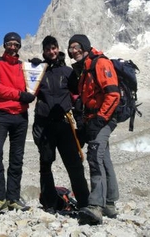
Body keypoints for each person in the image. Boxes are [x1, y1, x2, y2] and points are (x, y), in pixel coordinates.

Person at [31, 35, 89, 214]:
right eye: (48, 49)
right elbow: (28, 90)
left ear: (58, 48)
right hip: (45, 124)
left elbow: (78, 97)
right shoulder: (39, 71)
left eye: (54, 47)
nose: (51, 51)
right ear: (44, 51)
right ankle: (49, 203)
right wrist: (33, 68)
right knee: (45, 164)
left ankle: (85, 203)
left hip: (64, 124)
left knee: (74, 164)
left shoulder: (68, 71)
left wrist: (81, 124)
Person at [67, 34, 121, 225]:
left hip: (104, 118)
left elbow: (113, 94)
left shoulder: (100, 64)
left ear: (85, 46)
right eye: (71, 49)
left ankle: (96, 206)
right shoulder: (85, 69)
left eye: (76, 47)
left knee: (94, 156)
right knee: (104, 157)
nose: (74, 51)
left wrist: (100, 119)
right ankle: (110, 203)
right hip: (94, 119)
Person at [0, 32, 36, 216]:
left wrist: (37, 68)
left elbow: (34, 85)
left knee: (16, 157)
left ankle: (13, 197)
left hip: (20, 117)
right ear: (4, 45)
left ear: (19, 46)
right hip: (0, 114)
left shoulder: (24, 67)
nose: (12, 47)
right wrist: (19, 95)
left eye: (16, 44)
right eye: (9, 43)